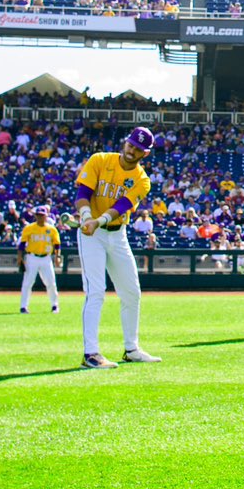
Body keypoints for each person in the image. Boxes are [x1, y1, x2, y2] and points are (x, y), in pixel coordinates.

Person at [73, 128, 161, 369]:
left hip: (116, 233)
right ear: (126, 142)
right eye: (131, 145)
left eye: (139, 149)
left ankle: (131, 349)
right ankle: (91, 353)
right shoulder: (100, 159)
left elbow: (122, 205)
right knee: (96, 291)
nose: (132, 151)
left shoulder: (142, 180)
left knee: (132, 291)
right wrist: (86, 216)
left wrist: (98, 220)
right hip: (91, 235)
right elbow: (83, 192)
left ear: (145, 153)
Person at [17, 204, 60, 315]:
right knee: (27, 282)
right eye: (38, 215)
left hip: (46, 258)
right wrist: (20, 258)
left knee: (51, 282)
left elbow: (57, 245)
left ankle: (54, 305)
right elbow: (22, 245)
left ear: (46, 216)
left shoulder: (51, 229)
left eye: (42, 215)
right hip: (32, 257)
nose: (40, 217)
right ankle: (23, 307)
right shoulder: (29, 228)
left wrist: (57, 257)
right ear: (35, 216)